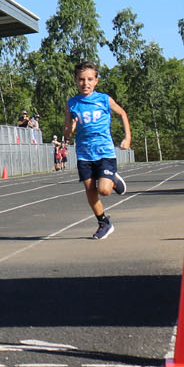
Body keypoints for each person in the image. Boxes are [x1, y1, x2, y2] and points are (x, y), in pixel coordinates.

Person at [63, 61, 131, 240]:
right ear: (75, 80)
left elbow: (122, 113)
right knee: (90, 190)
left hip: (104, 152)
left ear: (96, 81)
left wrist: (127, 137)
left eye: (90, 79)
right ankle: (104, 223)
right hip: (84, 153)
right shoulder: (72, 103)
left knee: (104, 190)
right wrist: (71, 127)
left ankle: (113, 180)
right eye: (81, 79)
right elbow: (67, 131)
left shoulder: (104, 99)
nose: (85, 83)